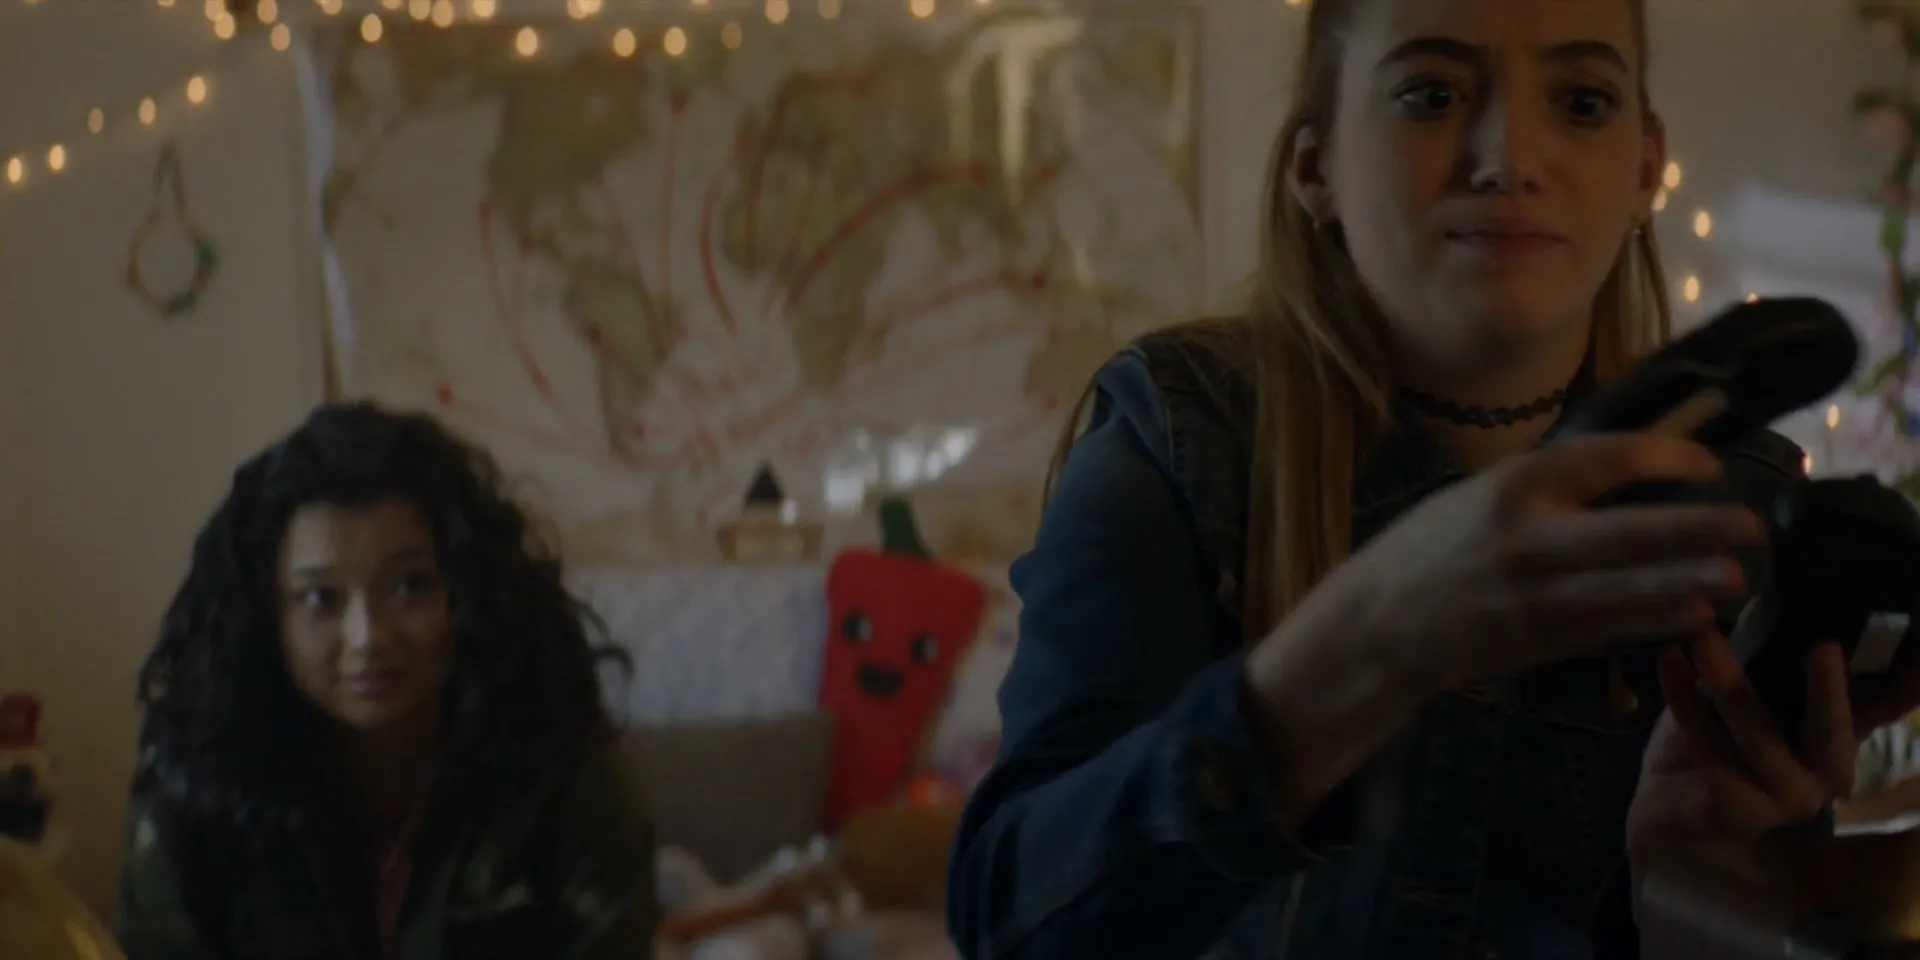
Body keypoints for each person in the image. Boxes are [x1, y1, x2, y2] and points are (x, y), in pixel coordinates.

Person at [946, 0, 1920, 957]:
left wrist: (1690, 899)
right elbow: (1015, 923)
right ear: (1316, 167)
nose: (1510, 160)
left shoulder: (1740, 507)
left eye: (1582, 103)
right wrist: (1360, 647)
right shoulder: (1181, 437)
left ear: (1644, 166)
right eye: (1431, 95)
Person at [116, 403, 655, 960]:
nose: (368, 637)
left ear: (470, 590)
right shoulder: (198, 788)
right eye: (321, 599)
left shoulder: (561, 768)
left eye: (409, 586)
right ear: (266, 619)